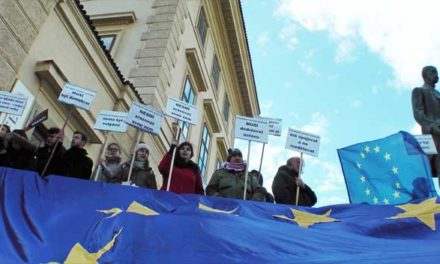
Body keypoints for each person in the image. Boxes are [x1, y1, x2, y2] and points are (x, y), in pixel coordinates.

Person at [412, 65, 440, 185]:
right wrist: (433, 126)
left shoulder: (438, 93)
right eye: (433, 72)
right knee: (429, 166)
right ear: (425, 75)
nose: (436, 74)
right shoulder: (419, 91)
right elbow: (418, 113)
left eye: (436, 72)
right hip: (433, 134)